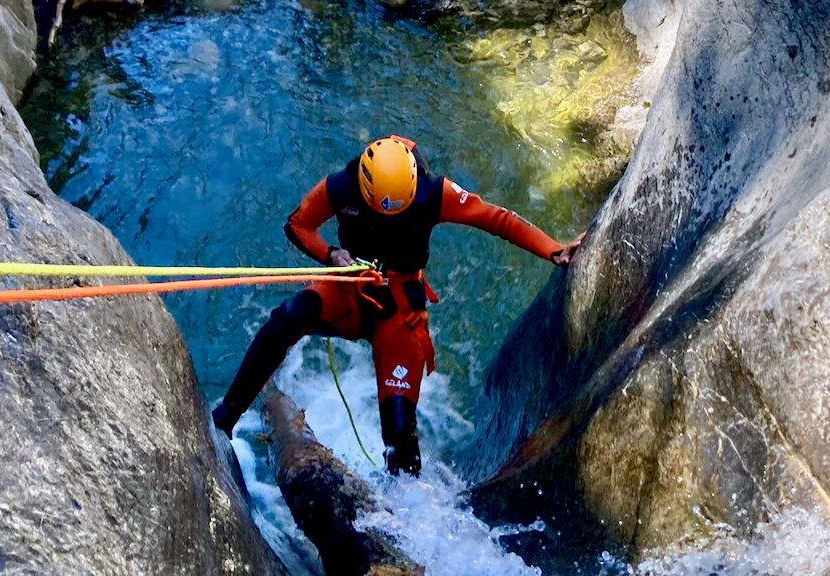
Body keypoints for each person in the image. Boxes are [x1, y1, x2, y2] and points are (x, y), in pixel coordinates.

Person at [212, 134, 582, 475]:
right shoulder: (343, 185)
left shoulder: (434, 192)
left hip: (398, 311)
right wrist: (332, 254)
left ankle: (405, 512)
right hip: (349, 289)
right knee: (285, 320)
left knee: (400, 433)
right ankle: (222, 422)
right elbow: (298, 224)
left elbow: (497, 220)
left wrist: (554, 249)